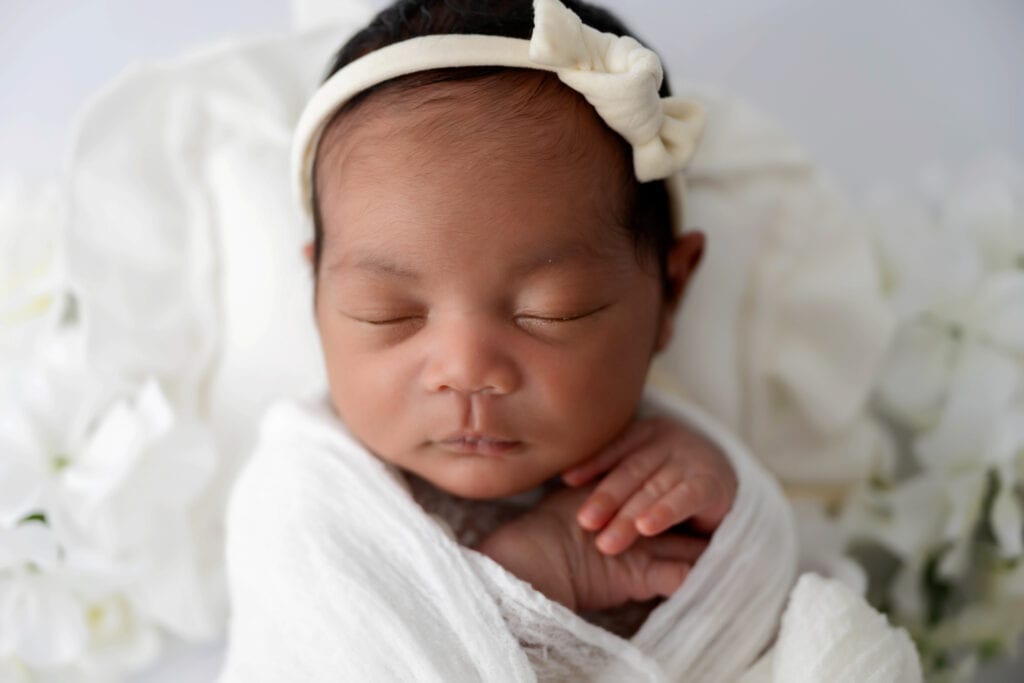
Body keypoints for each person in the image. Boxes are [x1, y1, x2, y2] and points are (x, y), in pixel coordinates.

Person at [219, 1, 798, 679]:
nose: (466, 370)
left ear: (671, 289)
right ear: (316, 290)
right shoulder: (300, 497)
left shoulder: (667, 487)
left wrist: (738, 526)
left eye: (554, 311)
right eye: (388, 312)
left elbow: (787, 632)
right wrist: (537, 569)